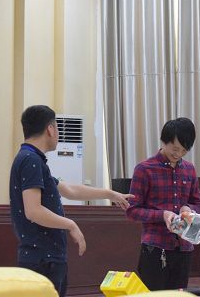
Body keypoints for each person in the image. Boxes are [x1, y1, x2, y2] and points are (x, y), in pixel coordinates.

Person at [9, 105, 133, 297]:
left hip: (46, 258)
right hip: (42, 259)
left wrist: (110, 194)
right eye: (57, 127)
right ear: (50, 129)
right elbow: (33, 211)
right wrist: (71, 224)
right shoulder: (30, 160)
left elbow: (69, 190)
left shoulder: (33, 159)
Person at [126, 117, 200, 291]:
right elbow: (132, 211)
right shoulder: (144, 169)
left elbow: (197, 203)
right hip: (155, 248)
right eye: (175, 149)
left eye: (184, 150)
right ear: (164, 141)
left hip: (184, 248)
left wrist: (189, 209)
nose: (178, 154)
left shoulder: (189, 169)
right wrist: (163, 215)